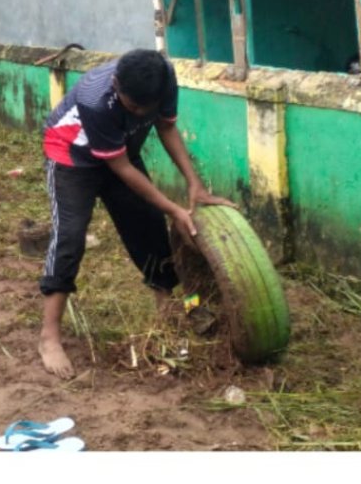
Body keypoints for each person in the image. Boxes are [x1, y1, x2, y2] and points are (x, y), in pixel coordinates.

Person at [38, 47, 233, 381]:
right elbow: (121, 168)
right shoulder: (96, 99)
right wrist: (174, 208)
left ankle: (174, 308)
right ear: (116, 85)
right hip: (70, 155)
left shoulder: (163, 79)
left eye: (147, 108)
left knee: (151, 231)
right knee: (70, 235)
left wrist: (194, 185)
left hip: (119, 149)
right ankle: (49, 335)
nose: (140, 113)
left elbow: (167, 128)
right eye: (133, 107)